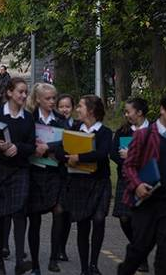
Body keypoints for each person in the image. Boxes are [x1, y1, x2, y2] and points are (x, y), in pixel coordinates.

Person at [117, 92, 166, 275]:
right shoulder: (143, 135)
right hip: (146, 204)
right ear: (162, 109)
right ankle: (124, 270)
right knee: (139, 249)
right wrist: (138, 185)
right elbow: (129, 166)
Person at [0, 77, 41, 275]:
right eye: (20, 91)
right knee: (0, 216)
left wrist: (17, 147)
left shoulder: (28, 118)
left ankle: (20, 259)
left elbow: (31, 146)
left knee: (20, 212)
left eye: (25, 92)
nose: (24, 95)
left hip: (20, 169)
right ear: (9, 92)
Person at [61, 95, 112, 275]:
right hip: (79, 183)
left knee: (99, 220)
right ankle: (84, 268)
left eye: (80, 106)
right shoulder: (74, 128)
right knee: (83, 225)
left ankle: (94, 264)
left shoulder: (105, 132)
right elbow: (62, 149)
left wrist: (79, 157)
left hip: (100, 182)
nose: (77, 110)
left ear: (90, 110)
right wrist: (68, 158)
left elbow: (102, 153)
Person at [25, 83, 68, 275]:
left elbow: (67, 143)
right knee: (34, 219)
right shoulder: (29, 118)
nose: (52, 102)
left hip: (55, 174)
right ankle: (35, 263)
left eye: (54, 98)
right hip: (34, 173)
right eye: (48, 98)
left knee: (58, 211)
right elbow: (23, 140)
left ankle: (53, 257)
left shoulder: (60, 120)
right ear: (38, 99)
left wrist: (48, 148)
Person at [110, 97, 150, 273]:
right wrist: (124, 160)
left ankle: (140, 255)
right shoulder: (123, 131)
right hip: (126, 178)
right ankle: (139, 249)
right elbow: (113, 153)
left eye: (128, 111)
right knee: (125, 218)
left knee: (141, 220)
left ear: (139, 112)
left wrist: (132, 156)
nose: (126, 114)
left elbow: (157, 155)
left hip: (147, 179)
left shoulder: (153, 131)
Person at [51, 93, 76, 266]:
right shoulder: (54, 125)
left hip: (74, 175)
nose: (65, 109)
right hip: (58, 173)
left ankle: (62, 247)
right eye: (61, 106)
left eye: (68, 106)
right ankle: (56, 248)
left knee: (67, 213)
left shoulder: (79, 125)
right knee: (58, 212)